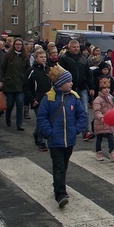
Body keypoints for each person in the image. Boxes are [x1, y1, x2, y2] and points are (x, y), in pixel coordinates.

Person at [37, 68, 88, 208]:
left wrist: (76, 130)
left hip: (69, 140)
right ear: (61, 82)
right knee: (58, 166)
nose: (71, 83)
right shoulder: (49, 98)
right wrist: (49, 132)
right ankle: (60, 194)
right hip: (55, 141)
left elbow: (82, 115)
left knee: (64, 165)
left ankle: (58, 183)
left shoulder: (74, 97)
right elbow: (42, 117)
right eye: (69, 81)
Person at [59, 40, 94, 141]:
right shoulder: (64, 59)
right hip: (69, 89)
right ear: (69, 48)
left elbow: (88, 74)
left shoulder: (84, 59)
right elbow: (61, 74)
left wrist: (91, 87)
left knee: (84, 110)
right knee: (68, 111)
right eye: (74, 47)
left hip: (82, 88)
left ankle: (85, 132)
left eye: (78, 47)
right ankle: (67, 131)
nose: (76, 49)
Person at [0, 37, 29, 131]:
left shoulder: (25, 56)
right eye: (17, 44)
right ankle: (8, 118)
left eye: (20, 44)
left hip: (21, 84)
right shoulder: (8, 55)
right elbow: (2, 68)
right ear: (14, 45)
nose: (18, 46)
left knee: (20, 103)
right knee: (10, 104)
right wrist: (0, 80)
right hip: (10, 84)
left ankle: (19, 124)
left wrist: (28, 81)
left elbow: (28, 70)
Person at [26, 48, 52, 152]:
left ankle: (37, 133)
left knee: (44, 119)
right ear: (36, 58)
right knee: (42, 120)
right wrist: (32, 99)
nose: (43, 59)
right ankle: (41, 141)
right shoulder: (31, 71)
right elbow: (26, 87)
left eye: (45, 57)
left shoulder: (48, 70)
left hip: (48, 99)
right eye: (41, 57)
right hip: (37, 99)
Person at [92, 76, 114, 162]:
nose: (107, 90)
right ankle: (98, 152)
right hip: (100, 122)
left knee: (110, 137)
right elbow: (96, 111)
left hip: (108, 122)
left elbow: (112, 107)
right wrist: (101, 117)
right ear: (100, 89)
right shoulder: (98, 99)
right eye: (104, 88)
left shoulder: (109, 98)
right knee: (99, 138)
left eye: (108, 88)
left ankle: (112, 152)